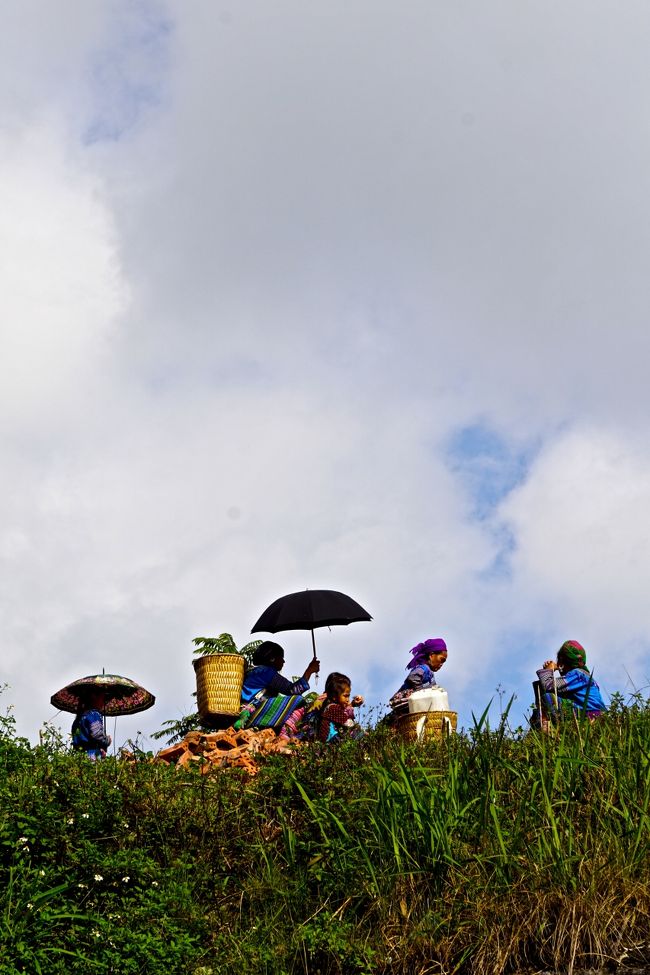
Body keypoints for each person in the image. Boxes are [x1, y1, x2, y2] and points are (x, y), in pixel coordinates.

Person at [235, 641, 320, 731]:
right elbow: (293, 690)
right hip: (251, 713)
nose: (283, 661)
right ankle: (285, 732)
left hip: (243, 710)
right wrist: (309, 670)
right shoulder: (267, 672)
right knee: (298, 700)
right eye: (281, 658)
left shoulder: (255, 671)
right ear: (272, 659)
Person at [535, 640, 607, 725]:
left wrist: (548, 670)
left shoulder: (578, 675)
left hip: (590, 715)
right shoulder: (583, 676)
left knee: (548, 698)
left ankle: (549, 730)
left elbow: (549, 686)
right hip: (590, 714)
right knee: (539, 710)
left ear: (562, 662)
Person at [388, 637, 448, 718]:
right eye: (442, 659)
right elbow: (413, 677)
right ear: (431, 655)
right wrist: (421, 692)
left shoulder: (430, 673)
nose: (442, 664)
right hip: (407, 702)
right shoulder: (423, 668)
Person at [318, 672, 364, 742]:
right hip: (331, 739)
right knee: (359, 735)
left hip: (332, 739)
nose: (347, 700)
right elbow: (349, 723)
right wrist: (364, 733)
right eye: (345, 696)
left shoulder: (330, 706)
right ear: (334, 696)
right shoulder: (333, 708)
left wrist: (352, 704)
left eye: (348, 696)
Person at [71, 689, 111, 760]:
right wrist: (107, 740)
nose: (104, 702)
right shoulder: (93, 714)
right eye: (103, 698)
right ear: (94, 697)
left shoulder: (78, 719)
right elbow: (97, 735)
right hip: (92, 756)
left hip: (78, 758)